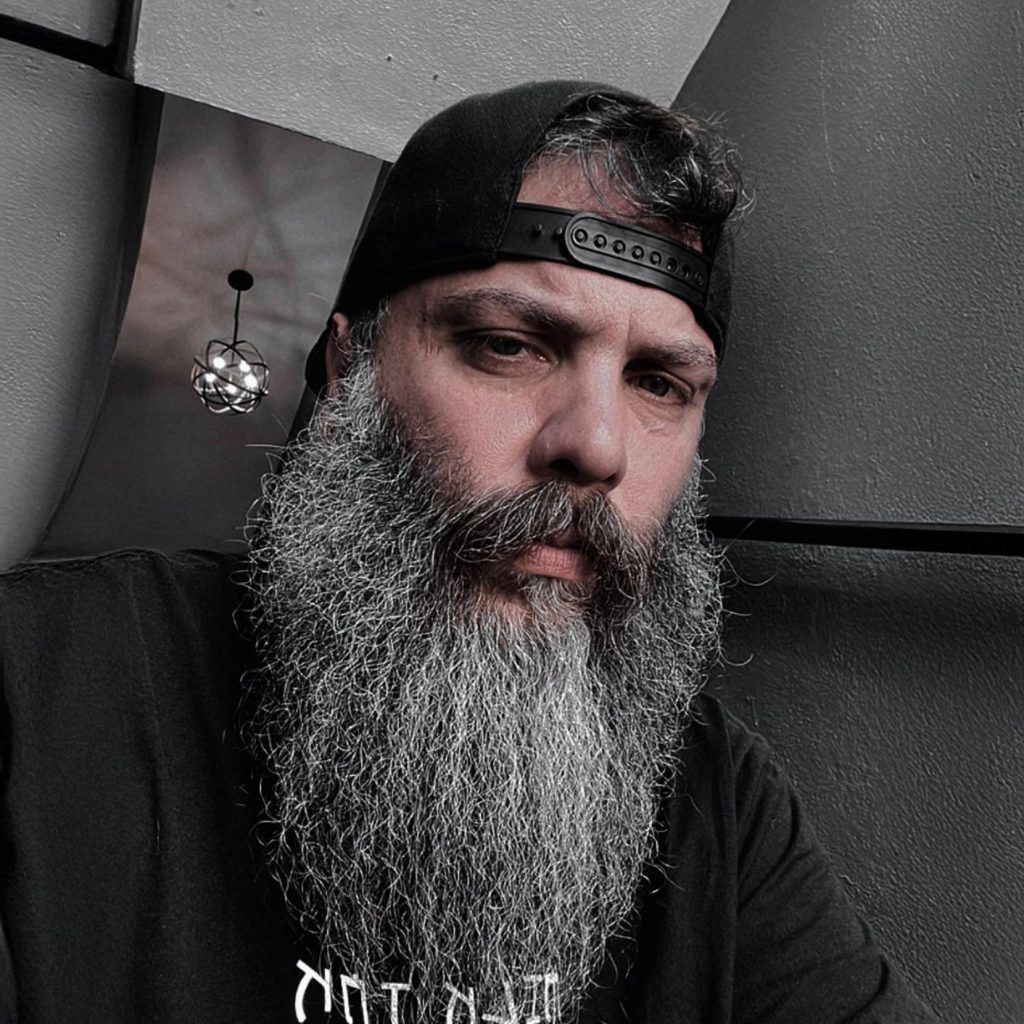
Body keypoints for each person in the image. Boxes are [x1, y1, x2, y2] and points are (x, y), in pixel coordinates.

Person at [0, 81, 936, 1024]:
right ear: (347, 369)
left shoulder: (715, 799)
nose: (597, 446)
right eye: (508, 345)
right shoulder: (46, 687)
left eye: (659, 382)